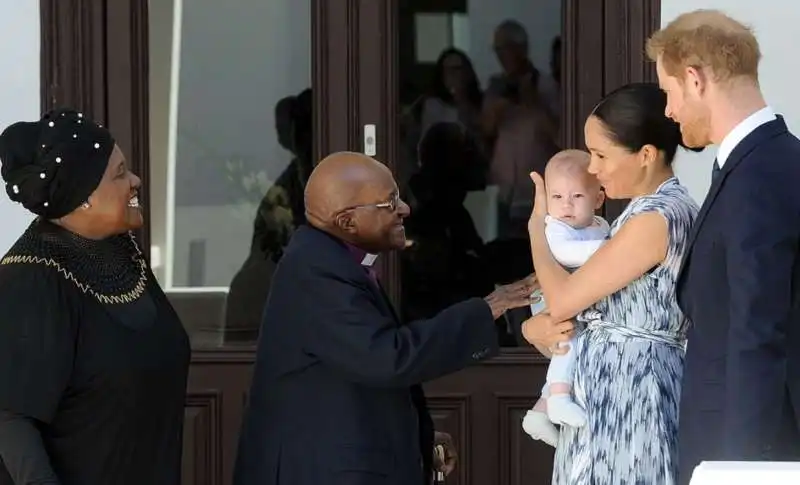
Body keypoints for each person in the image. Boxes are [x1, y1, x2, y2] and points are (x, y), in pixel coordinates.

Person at [232, 151, 536, 485]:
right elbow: (388, 357)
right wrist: (489, 307)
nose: (405, 209)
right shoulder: (316, 271)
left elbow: (355, 374)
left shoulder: (327, 259)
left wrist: (418, 437)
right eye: (389, 203)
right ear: (347, 222)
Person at [647, 10, 800, 483]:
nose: (668, 111)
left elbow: (758, 330)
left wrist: (740, 467)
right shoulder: (767, 161)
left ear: (695, 80)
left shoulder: (758, 175)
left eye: (669, 93)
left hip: (746, 451)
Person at [520, 83, 700, 484]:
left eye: (601, 155)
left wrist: (537, 230)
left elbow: (565, 299)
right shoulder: (641, 212)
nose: (594, 168)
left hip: (633, 389)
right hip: (613, 386)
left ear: (646, 156)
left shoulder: (659, 216)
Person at [0, 108, 190, 485]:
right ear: (82, 196)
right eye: (119, 174)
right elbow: (11, 417)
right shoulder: (32, 278)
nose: (135, 180)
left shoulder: (123, 253)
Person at [520, 149, 608, 447]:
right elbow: (565, 254)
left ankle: (540, 411)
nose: (566, 205)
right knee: (567, 341)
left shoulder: (599, 226)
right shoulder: (555, 228)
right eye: (556, 197)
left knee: (576, 342)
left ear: (598, 199)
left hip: (576, 298)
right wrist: (615, 252)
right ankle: (558, 397)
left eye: (577, 197)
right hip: (550, 299)